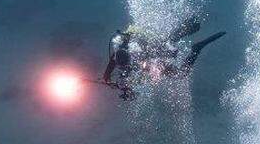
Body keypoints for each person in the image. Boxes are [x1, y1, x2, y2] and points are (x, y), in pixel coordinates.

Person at [97, 17, 226, 99]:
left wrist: (128, 90)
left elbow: (145, 73)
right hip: (154, 48)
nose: (122, 67)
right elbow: (113, 63)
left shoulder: (136, 54)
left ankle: (196, 49)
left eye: (124, 65)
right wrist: (107, 77)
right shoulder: (119, 51)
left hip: (154, 53)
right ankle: (186, 31)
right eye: (120, 65)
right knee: (168, 41)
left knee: (180, 73)